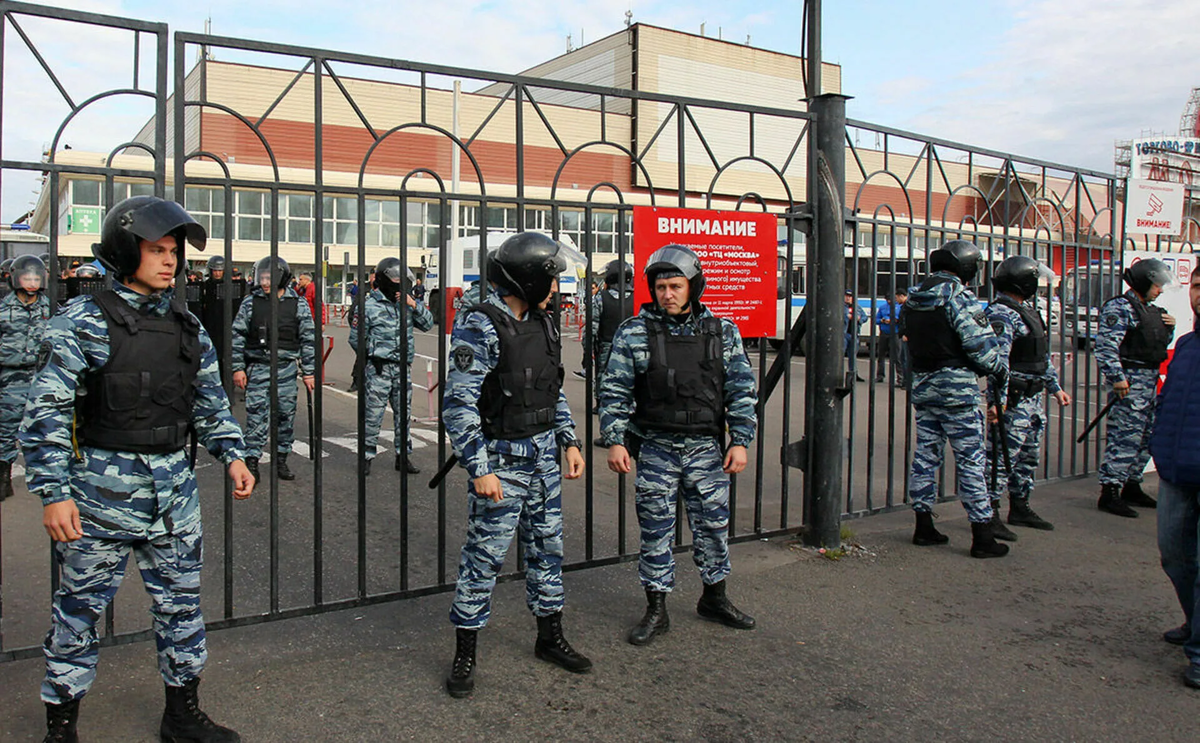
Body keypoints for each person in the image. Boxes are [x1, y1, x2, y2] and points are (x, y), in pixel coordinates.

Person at [20, 195, 253, 742]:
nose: (170, 261)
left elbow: (209, 401)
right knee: (77, 616)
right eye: (157, 250)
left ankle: (181, 715)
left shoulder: (188, 325)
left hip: (173, 497)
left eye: (174, 251)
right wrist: (54, 492)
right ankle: (61, 726)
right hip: (97, 499)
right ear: (127, 252)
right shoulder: (79, 323)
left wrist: (234, 454)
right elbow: (46, 412)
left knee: (181, 611)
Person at [443, 232, 589, 698]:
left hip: (545, 456)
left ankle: (550, 637)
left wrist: (569, 440)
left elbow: (553, 387)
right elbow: (459, 404)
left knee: (547, 550)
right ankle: (465, 651)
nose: (555, 289)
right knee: (484, 559)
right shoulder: (479, 325)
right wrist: (480, 467)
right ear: (525, 280)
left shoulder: (544, 323)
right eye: (549, 279)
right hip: (503, 460)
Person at [599, 244, 759, 646]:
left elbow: (741, 389)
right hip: (656, 447)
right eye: (660, 287)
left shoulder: (722, 332)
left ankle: (715, 597)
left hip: (706, 449)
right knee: (655, 529)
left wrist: (740, 440)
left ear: (693, 287)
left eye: (675, 286)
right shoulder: (634, 333)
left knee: (714, 525)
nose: (667, 294)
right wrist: (615, 440)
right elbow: (614, 390)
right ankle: (657, 608)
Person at [900, 239, 1008, 558]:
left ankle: (923, 525)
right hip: (957, 389)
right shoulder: (959, 297)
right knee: (971, 460)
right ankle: (982, 535)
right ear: (967, 267)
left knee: (925, 457)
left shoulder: (915, 297)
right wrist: (998, 368)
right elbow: (981, 348)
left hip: (924, 385)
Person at [984, 256, 1071, 539]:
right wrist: (997, 401)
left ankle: (1020, 506)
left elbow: (1040, 357)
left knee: (1027, 458)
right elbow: (998, 361)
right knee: (1000, 458)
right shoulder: (1002, 314)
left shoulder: (1027, 311)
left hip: (1032, 400)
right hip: (1014, 400)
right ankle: (990, 513)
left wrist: (1054, 387)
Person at [1095, 258, 1176, 517]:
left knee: (1145, 437)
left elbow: (1154, 343)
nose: (1160, 290)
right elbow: (1107, 346)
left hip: (1150, 382)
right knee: (1124, 437)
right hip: (1130, 383)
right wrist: (1117, 378)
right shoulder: (1120, 308)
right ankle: (1110, 490)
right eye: (1156, 285)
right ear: (1143, 282)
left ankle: (1132, 483)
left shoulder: (1152, 310)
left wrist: (1169, 328)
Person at [1151, 264, 1200, 688]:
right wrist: (1159, 446)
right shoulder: (1186, 344)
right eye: (1199, 285)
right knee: (1176, 557)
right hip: (1176, 471)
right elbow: (1168, 400)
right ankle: (1194, 621)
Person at [231, 256, 316, 484]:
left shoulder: (298, 304)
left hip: (287, 370)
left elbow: (308, 339)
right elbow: (236, 337)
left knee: (285, 416)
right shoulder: (251, 303)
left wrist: (309, 372)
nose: (265, 282)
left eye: (269, 278)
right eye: (262, 278)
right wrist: (238, 368)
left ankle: (281, 459)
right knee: (256, 416)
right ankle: (252, 462)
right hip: (258, 368)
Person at [349, 258, 433, 475]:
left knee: (403, 415)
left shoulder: (405, 303)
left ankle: (403, 456)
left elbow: (427, 324)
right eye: (395, 279)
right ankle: (366, 457)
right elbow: (355, 339)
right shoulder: (369, 306)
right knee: (372, 415)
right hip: (379, 369)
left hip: (402, 368)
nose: (399, 283)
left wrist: (414, 304)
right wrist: (375, 353)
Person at [0, 255, 50, 500]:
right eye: (26, 277)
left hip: (40, 377)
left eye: (35, 278)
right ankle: (3, 477)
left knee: (45, 430)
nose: (31, 282)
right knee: (6, 431)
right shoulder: (2, 308)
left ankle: (48, 482)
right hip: (10, 379)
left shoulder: (50, 309)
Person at [581, 260, 633, 396]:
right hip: (632, 347)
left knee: (604, 378)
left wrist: (587, 352)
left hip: (607, 346)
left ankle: (601, 403)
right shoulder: (637, 298)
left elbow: (591, 329)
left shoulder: (601, 298)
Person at [874, 288, 908, 384]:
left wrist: (894, 320)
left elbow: (901, 319)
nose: (889, 301)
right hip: (884, 332)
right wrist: (882, 320)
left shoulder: (900, 307)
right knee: (881, 355)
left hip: (896, 333)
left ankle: (900, 378)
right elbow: (876, 319)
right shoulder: (882, 308)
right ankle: (880, 375)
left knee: (897, 356)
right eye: (887, 299)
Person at [844, 291, 867, 382]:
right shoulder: (841, 307)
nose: (848, 298)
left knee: (852, 355)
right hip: (844, 334)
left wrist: (859, 319)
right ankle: (838, 374)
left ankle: (853, 374)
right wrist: (847, 317)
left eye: (850, 296)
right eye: (847, 296)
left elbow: (865, 317)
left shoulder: (857, 307)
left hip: (854, 334)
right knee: (840, 354)